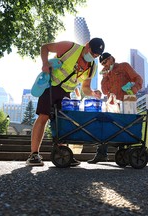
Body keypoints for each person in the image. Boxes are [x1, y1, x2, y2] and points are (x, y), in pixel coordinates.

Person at [27, 38, 105, 166]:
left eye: (96, 55)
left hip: (66, 94)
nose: (93, 56)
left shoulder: (93, 67)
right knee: (44, 116)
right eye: (92, 53)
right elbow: (45, 47)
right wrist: (45, 64)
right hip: (52, 85)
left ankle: (63, 154)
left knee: (63, 123)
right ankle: (34, 155)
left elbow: (85, 87)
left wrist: (93, 93)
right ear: (87, 46)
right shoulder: (70, 47)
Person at [87, 52, 143, 164]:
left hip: (127, 102)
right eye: (103, 64)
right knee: (106, 126)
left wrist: (134, 89)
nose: (105, 65)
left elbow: (138, 78)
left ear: (112, 58)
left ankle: (123, 153)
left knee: (125, 127)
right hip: (113, 105)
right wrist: (105, 78)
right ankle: (101, 154)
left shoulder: (124, 66)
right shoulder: (106, 74)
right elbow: (104, 91)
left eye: (106, 61)